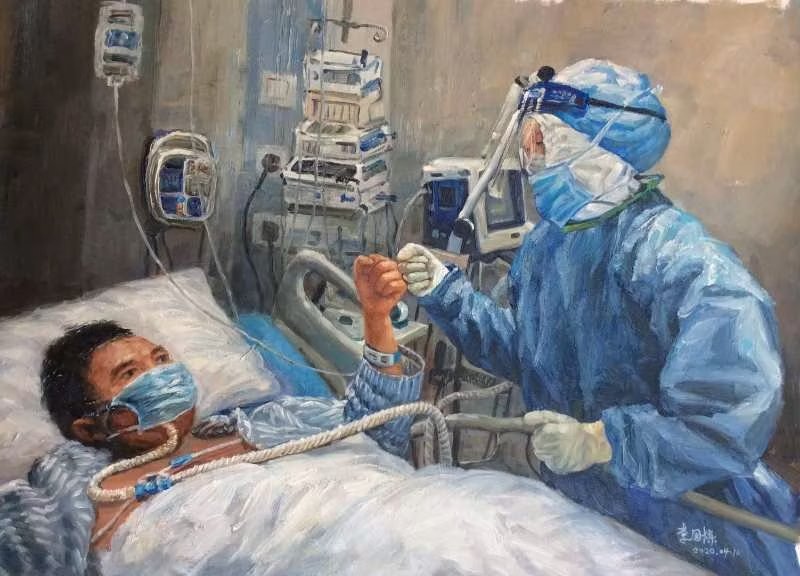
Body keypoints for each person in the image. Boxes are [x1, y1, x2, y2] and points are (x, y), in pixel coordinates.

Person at [398, 59, 798, 575]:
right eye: (529, 141)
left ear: (603, 150)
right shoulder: (547, 247)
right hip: (587, 512)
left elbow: (732, 412)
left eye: (543, 142)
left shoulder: (681, 259)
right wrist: (446, 292)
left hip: (698, 523)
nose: (530, 159)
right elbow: (524, 352)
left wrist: (605, 441)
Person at [40, 254, 416, 550]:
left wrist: (376, 319)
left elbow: (382, 431)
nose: (160, 375)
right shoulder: (76, 494)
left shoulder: (267, 422)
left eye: (161, 358)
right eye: (129, 373)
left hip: (392, 525)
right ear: (89, 428)